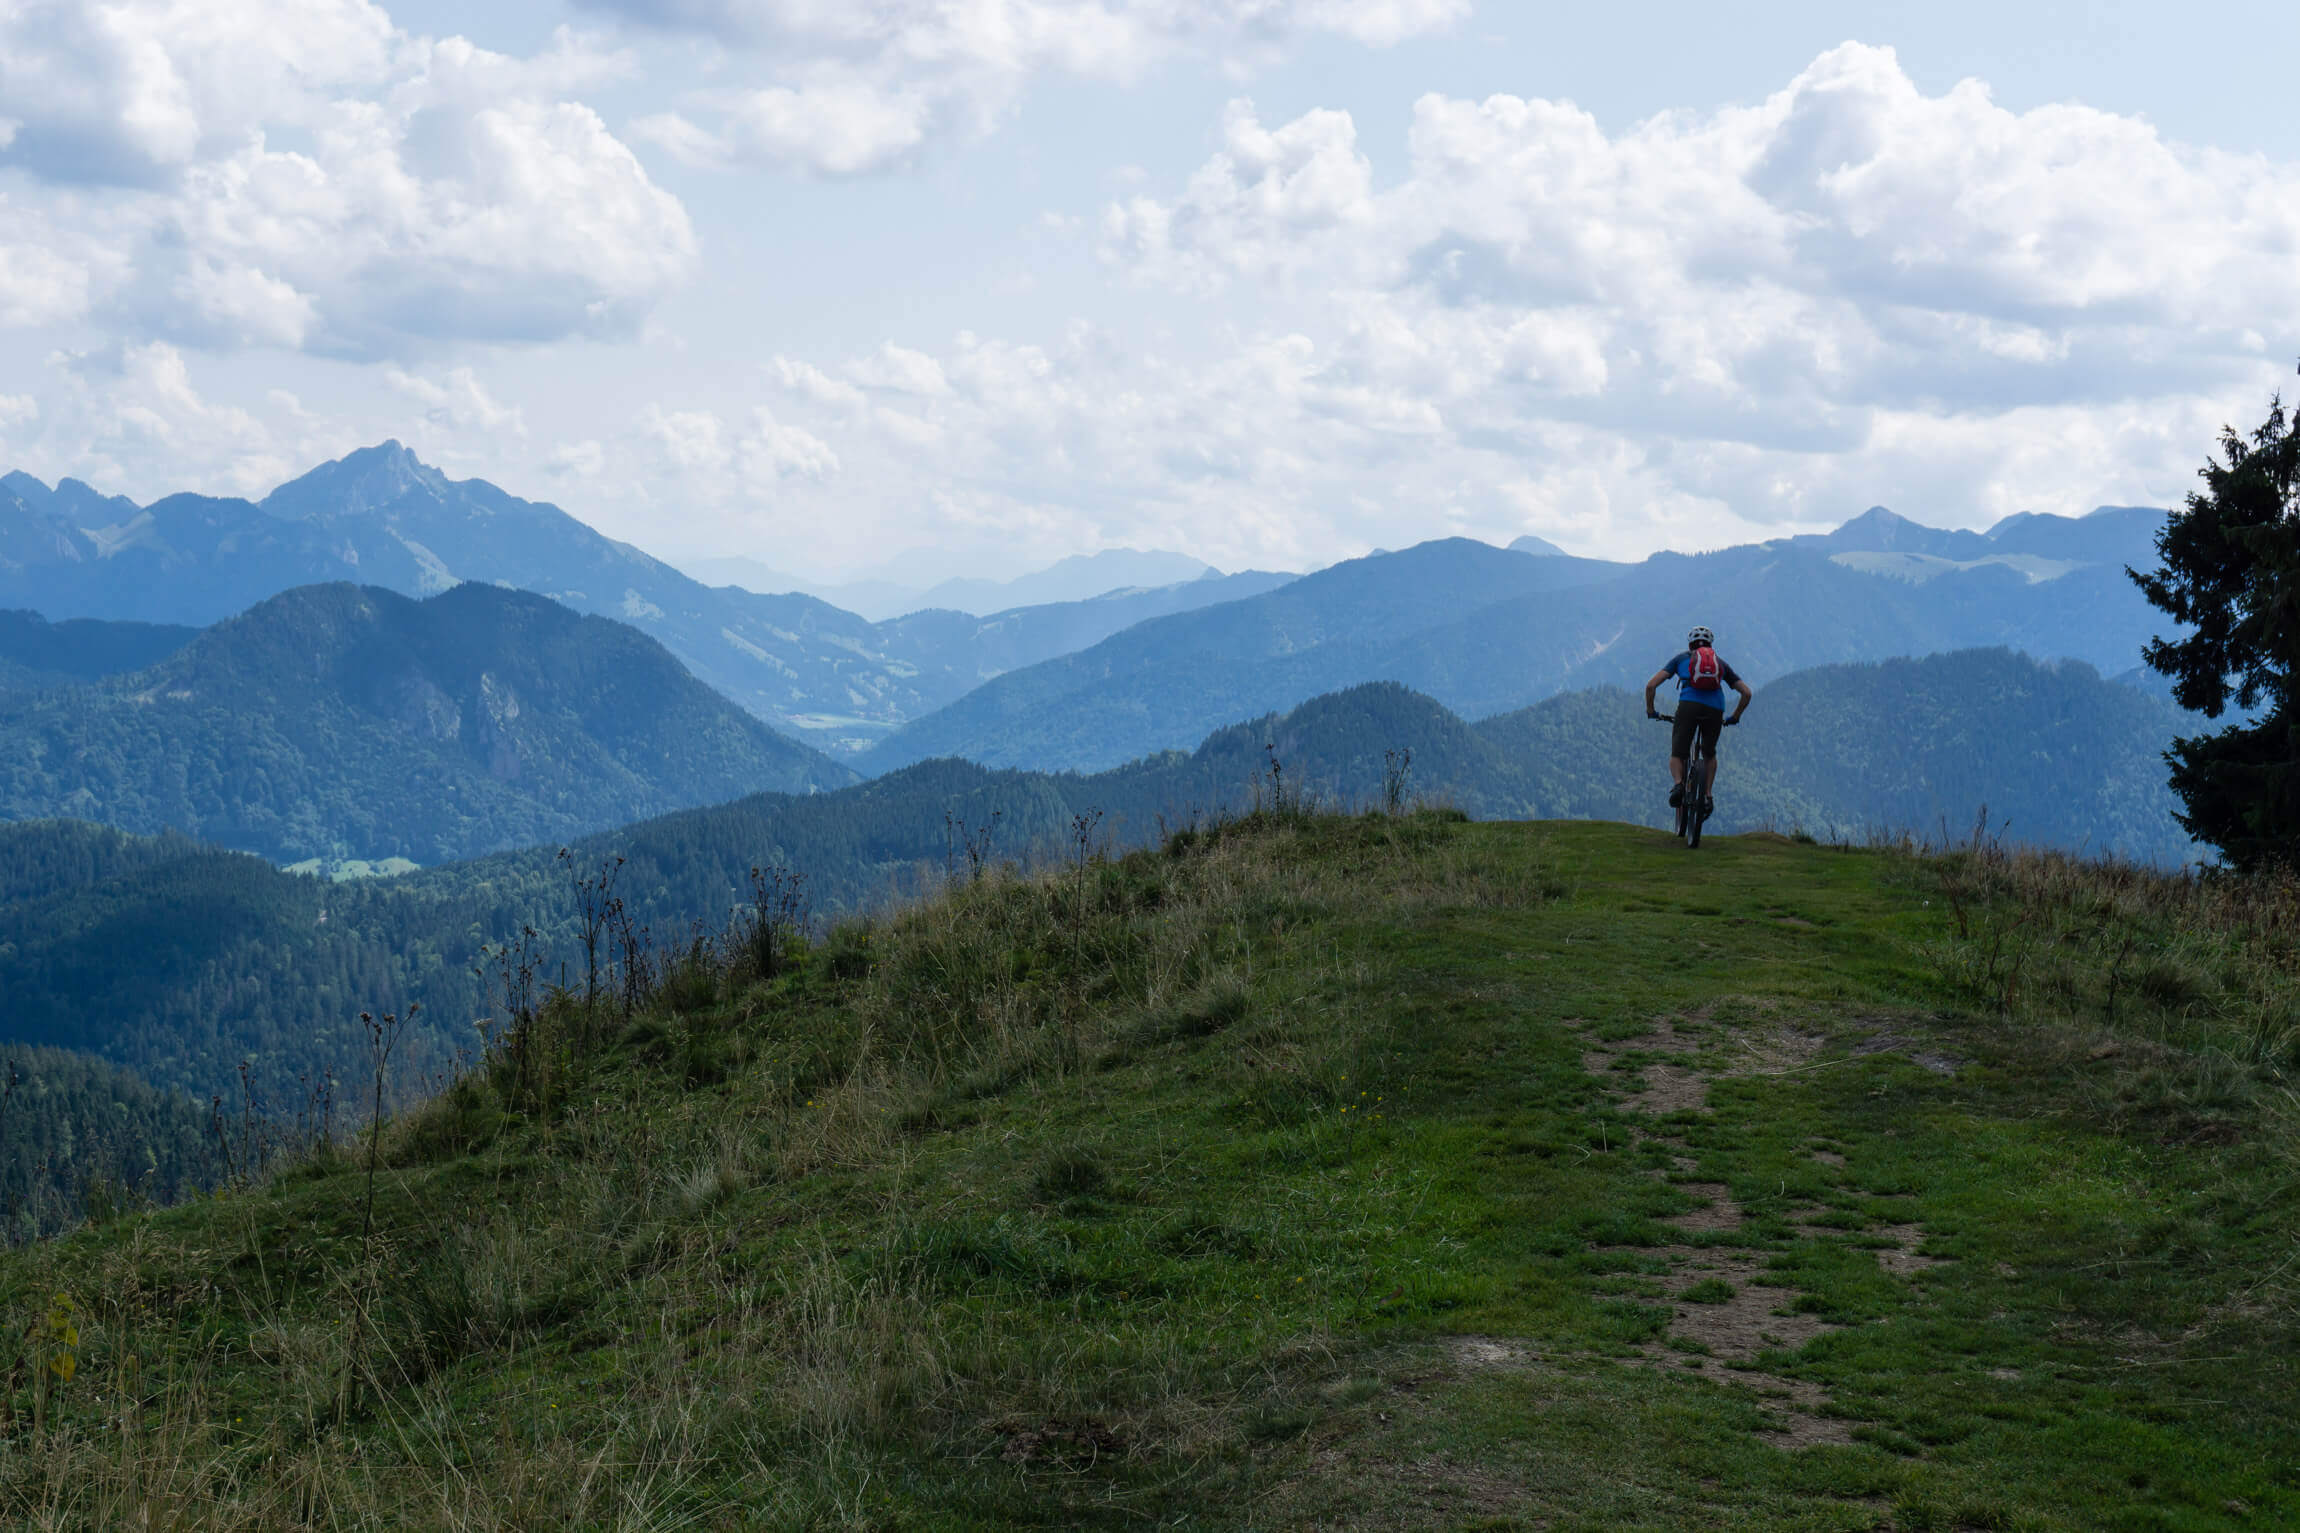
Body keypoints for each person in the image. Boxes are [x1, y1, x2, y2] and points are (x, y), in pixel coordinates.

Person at [1643, 626, 1752, 811]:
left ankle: (1678, 785)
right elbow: (1747, 693)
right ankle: (1708, 796)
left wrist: (1651, 710)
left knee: (1678, 753)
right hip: (1715, 709)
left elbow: (1651, 686)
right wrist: (1735, 716)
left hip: (1688, 706)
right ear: (1710, 644)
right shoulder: (1720, 664)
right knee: (1709, 754)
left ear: (1689, 643)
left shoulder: (1680, 659)